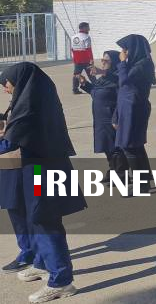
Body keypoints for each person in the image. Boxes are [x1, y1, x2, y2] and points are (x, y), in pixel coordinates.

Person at [0, 63, 86, 302]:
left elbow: (12, 141)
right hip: (40, 168)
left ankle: (61, 281)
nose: (6, 88)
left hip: (42, 172)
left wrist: (4, 138)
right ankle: (42, 262)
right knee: (35, 216)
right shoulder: (36, 98)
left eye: (6, 83)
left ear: (19, 81)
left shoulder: (29, 107)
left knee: (44, 219)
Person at [114, 34, 156, 180]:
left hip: (134, 108)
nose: (123, 52)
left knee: (129, 146)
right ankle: (145, 178)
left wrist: (122, 62)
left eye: (125, 49)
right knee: (135, 145)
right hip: (128, 107)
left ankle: (141, 183)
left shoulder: (143, 64)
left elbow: (124, 81)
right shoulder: (136, 63)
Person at [77, 50, 120, 175]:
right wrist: (84, 83)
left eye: (106, 60)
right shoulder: (103, 79)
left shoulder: (118, 78)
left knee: (115, 148)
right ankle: (113, 170)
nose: (103, 62)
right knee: (106, 146)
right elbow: (96, 92)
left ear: (114, 62)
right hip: (100, 119)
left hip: (111, 118)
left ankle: (121, 174)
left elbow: (121, 99)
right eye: (102, 60)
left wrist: (116, 118)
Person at [70, 22, 93, 94]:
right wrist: (91, 59)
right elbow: (88, 49)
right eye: (88, 27)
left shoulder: (73, 37)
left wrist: (74, 59)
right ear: (84, 28)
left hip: (77, 60)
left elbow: (72, 49)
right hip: (86, 60)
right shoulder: (86, 37)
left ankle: (75, 89)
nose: (89, 29)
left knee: (76, 75)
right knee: (91, 74)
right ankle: (96, 87)